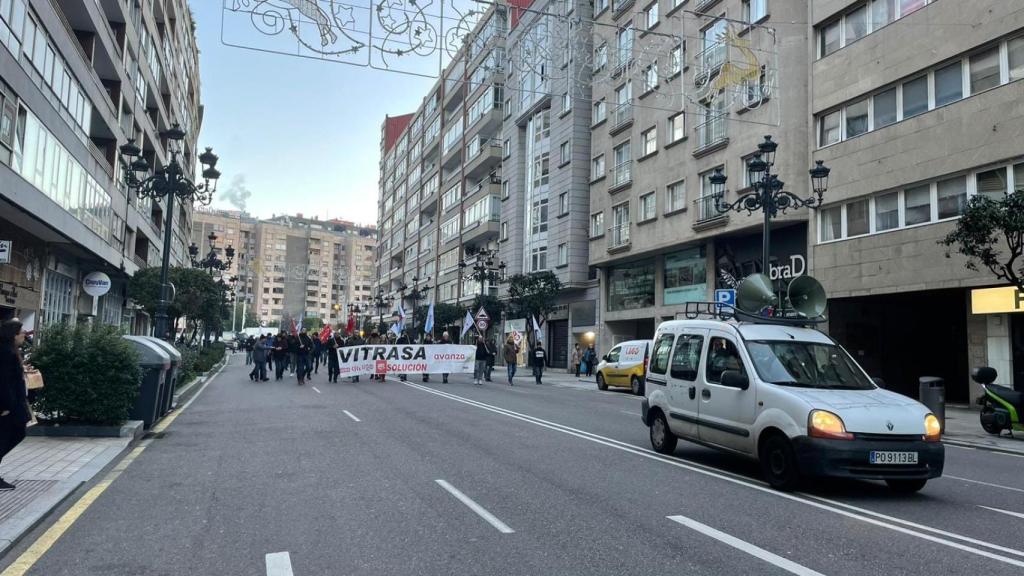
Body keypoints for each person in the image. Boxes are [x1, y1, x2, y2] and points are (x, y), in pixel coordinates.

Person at [0, 319, 30, 491]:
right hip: (7, 406)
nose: (24, 335)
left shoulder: (11, 351)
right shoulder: (6, 353)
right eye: (21, 332)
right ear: (13, 335)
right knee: (10, 435)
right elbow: (3, 382)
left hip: (13, 403)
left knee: (13, 434)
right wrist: (5, 406)